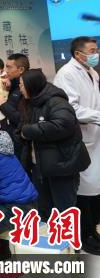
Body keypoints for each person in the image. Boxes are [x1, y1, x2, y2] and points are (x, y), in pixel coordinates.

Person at [19, 69, 90, 223]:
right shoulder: (31, 103)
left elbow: (63, 124)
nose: (20, 88)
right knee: (46, 214)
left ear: (32, 85)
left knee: (65, 214)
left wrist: (29, 131)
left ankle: (71, 239)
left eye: (22, 85)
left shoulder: (56, 101)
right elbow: (22, 128)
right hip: (40, 168)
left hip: (62, 167)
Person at [53, 36, 100, 253]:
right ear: (78, 54)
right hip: (81, 139)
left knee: (94, 188)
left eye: (96, 49)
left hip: (94, 136)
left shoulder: (92, 72)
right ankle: (83, 236)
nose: (96, 54)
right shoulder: (67, 74)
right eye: (92, 51)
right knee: (82, 190)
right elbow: (70, 109)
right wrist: (98, 116)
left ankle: (92, 232)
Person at [0, 53, 29, 156]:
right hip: (8, 140)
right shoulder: (9, 85)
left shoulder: (28, 89)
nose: (6, 70)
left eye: (9, 67)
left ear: (21, 70)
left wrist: (3, 105)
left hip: (21, 143)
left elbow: (23, 119)